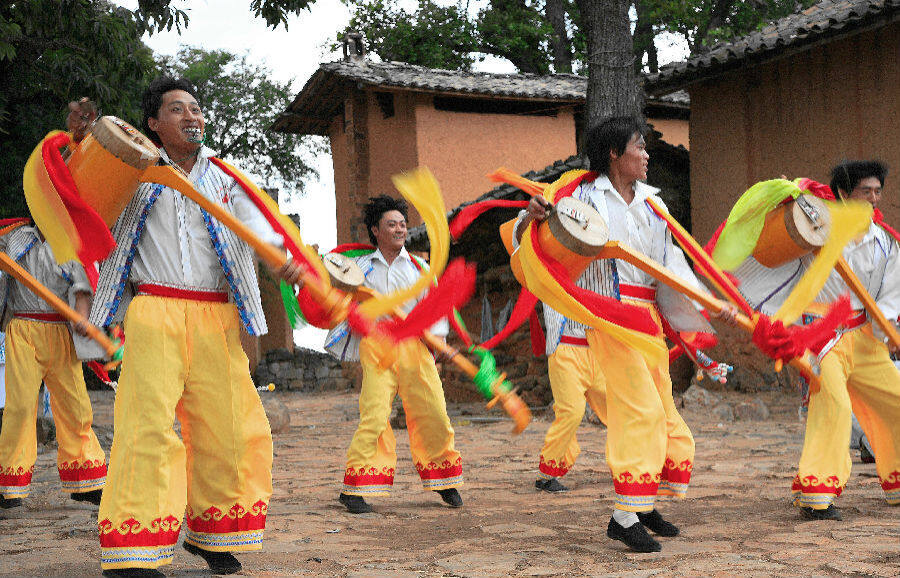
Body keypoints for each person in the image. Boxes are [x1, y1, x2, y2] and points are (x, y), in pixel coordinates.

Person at [89, 76, 303, 577]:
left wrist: (280, 258)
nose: (192, 116)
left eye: (196, 108)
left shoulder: (227, 178)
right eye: (177, 109)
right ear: (153, 123)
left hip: (217, 317)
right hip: (154, 310)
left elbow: (259, 227)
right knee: (146, 425)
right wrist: (86, 146)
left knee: (231, 428)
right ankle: (134, 548)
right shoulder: (132, 172)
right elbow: (84, 202)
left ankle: (213, 532)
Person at [515, 115, 737, 552]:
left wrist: (710, 303)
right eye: (640, 146)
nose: (647, 154)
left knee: (664, 411)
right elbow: (534, 239)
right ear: (615, 153)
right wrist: (532, 217)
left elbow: (672, 266)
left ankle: (643, 502)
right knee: (640, 410)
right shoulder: (579, 197)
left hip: (647, 319)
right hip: (608, 316)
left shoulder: (653, 205)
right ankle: (623, 516)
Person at [729, 160, 900, 520]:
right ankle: (816, 494)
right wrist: (785, 207)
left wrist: (889, 331)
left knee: (894, 400)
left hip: (865, 335)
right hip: (822, 336)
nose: (873, 198)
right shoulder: (817, 229)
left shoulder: (884, 242)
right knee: (833, 405)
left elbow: (890, 292)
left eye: (877, 191)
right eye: (865, 191)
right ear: (844, 194)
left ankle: (897, 480)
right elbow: (774, 248)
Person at [325, 195, 463, 515]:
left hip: (415, 345)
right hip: (378, 345)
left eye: (402, 224)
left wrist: (440, 342)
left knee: (433, 412)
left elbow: (434, 306)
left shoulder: (420, 267)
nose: (400, 230)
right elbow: (341, 303)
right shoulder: (360, 269)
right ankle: (355, 488)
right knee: (374, 414)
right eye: (392, 224)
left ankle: (444, 480)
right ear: (376, 230)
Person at [0, 224, 106, 509]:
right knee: (20, 406)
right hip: (23, 329)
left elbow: (82, 286)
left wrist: (82, 315)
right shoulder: (14, 237)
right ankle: (10, 486)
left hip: (60, 332)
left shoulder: (68, 243)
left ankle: (85, 480)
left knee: (75, 405)